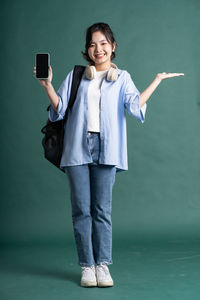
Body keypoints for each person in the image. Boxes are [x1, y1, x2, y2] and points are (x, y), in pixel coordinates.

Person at [33, 22, 184, 288]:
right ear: (87, 50)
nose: (98, 49)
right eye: (92, 44)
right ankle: (87, 267)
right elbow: (58, 112)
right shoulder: (77, 75)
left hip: (107, 149)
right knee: (81, 211)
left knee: (102, 210)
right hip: (77, 148)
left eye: (103, 43)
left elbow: (136, 107)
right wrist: (47, 85)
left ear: (112, 47)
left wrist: (156, 81)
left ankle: (102, 265)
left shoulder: (122, 77)